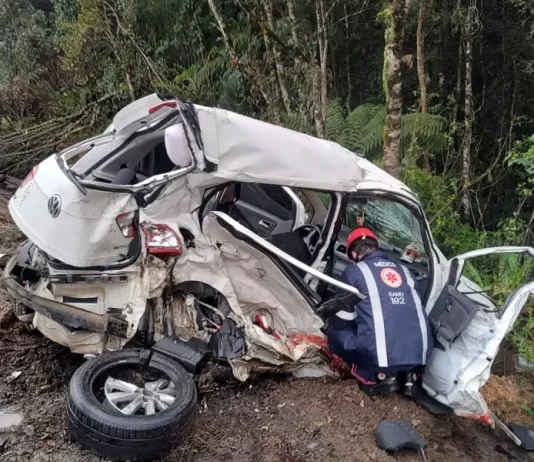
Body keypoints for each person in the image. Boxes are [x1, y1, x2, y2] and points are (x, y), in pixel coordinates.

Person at [326, 227, 433, 395]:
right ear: (375, 247)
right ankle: (408, 377)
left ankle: (376, 377)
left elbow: (343, 321)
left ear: (353, 254)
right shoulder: (406, 271)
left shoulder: (353, 272)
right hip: (419, 355)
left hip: (381, 359)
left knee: (335, 332)